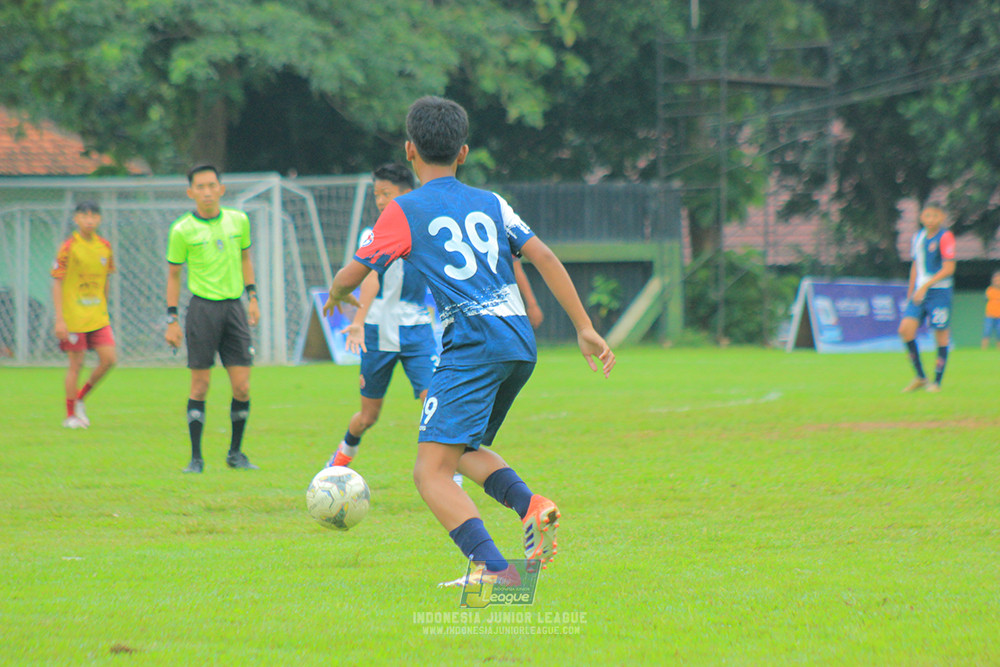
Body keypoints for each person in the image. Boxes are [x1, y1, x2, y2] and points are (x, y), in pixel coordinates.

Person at [323, 96, 614, 586]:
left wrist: (336, 293)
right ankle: (531, 505)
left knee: (429, 472)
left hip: (473, 343)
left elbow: (354, 274)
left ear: (410, 151)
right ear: (463, 152)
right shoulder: (491, 202)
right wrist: (584, 327)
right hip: (518, 342)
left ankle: (497, 571)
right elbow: (543, 257)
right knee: (460, 448)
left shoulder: (402, 210)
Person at [328, 163, 545, 485]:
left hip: (416, 329)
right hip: (378, 330)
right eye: (376, 195)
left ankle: (450, 477)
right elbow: (371, 277)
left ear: (406, 193)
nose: (380, 201)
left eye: (386, 194)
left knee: (437, 401)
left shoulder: (421, 220)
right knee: (367, 416)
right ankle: (339, 460)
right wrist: (358, 322)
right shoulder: (373, 233)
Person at [165, 164, 261, 473]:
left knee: (242, 386)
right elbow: (174, 275)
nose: (207, 191)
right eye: (200, 187)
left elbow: (246, 258)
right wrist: (172, 319)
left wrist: (253, 298)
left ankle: (236, 453)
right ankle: (196, 459)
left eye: (211, 185)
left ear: (221, 188)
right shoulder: (182, 230)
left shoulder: (238, 221)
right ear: (190, 192)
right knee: (200, 384)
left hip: (234, 308)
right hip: (202, 310)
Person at [51, 201, 117, 428]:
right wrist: (60, 319)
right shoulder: (68, 247)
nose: (89, 220)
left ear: (99, 219)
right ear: (76, 219)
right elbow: (57, 282)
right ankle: (71, 415)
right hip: (74, 318)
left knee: (109, 359)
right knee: (75, 365)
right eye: (84, 216)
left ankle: (80, 398)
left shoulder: (105, 247)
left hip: (98, 316)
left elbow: (106, 279)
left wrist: (105, 308)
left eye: (94, 216)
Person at [898, 205, 955, 393]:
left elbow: (949, 268)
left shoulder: (945, 237)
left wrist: (925, 285)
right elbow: (915, 265)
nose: (930, 219)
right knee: (905, 330)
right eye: (927, 215)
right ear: (922, 217)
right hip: (920, 291)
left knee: (940, 334)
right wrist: (912, 289)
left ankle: (936, 382)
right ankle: (921, 376)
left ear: (942, 217)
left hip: (939, 292)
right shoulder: (919, 237)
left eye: (935, 215)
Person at [981, 270, 1000, 349]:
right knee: (986, 332)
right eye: (996, 280)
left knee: (999, 334)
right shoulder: (989, 290)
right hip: (990, 316)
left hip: (999, 316)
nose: (997, 281)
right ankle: (983, 349)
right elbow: (986, 299)